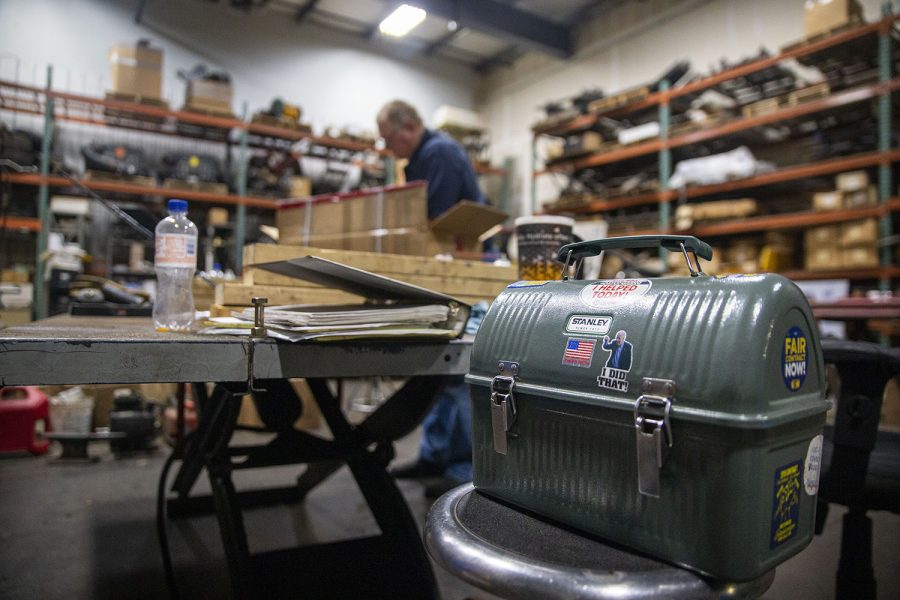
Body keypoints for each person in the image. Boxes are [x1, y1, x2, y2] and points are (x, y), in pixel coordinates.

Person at [376, 99, 486, 498]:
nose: (389, 148)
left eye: (389, 139)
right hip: (439, 270)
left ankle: (459, 469)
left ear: (408, 128)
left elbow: (435, 220)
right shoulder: (422, 156)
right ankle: (434, 458)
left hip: (458, 272)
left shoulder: (439, 152)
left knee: (456, 375)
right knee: (437, 374)